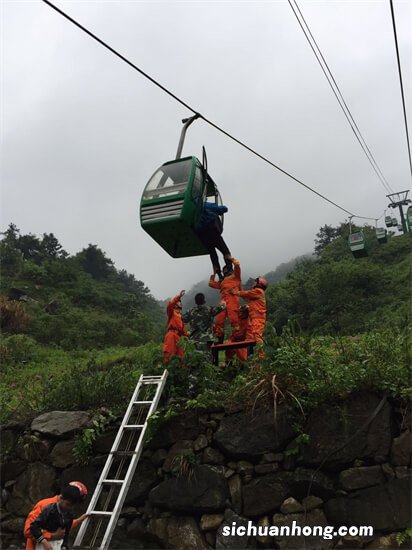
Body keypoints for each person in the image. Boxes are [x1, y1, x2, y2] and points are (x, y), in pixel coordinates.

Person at [24, 483, 88, 550]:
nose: (70, 507)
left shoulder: (66, 512)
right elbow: (28, 531)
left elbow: (64, 525)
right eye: (69, 504)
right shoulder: (45, 506)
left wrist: (79, 520)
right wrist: (52, 536)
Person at [196, 201, 232, 281]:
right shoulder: (206, 205)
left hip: (203, 237)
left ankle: (219, 274)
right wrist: (223, 208)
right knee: (225, 251)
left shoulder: (194, 208)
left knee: (213, 255)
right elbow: (223, 209)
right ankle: (229, 269)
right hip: (212, 232)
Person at [209, 257, 242, 341]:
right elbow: (211, 283)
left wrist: (230, 258)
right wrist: (214, 273)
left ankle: (237, 337)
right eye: (223, 270)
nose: (224, 271)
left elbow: (237, 265)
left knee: (234, 319)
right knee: (219, 320)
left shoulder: (236, 276)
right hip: (223, 301)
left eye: (225, 269)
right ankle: (220, 338)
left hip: (233, 299)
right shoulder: (222, 282)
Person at [232, 277, 268, 353]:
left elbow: (247, 294)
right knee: (251, 338)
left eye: (255, 281)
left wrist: (235, 292)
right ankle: (254, 359)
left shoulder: (258, 291)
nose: (253, 283)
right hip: (254, 318)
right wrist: (240, 288)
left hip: (257, 318)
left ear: (259, 283)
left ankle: (260, 358)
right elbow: (246, 297)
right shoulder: (256, 295)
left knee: (257, 336)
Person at [163, 290, 187, 364]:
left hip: (179, 338)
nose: (180, 302)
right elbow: (170, 304)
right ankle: (167, 372)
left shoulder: (181, 316)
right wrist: (179, 296)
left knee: (181, 357)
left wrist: (188, 335)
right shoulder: (172, 311)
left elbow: (183, 331)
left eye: (180, 301)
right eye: (179, 301)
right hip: (171, 335)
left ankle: (180, 374)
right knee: (169, 355)